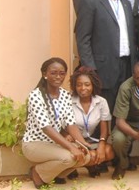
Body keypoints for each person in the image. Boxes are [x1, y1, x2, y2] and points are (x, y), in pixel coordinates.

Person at [75, 0, 137, 115]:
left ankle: (117, 137)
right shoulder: (90, 2)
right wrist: (90, 68)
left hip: (126, 64)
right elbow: (83, 38)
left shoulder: (126, 3)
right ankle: (100, 138)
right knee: (102, 109)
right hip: (102, 67)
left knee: (122, 107)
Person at [22, 58, 91, 188]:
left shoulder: (65, 95)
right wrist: (71, 147)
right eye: (53, 73)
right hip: (34, 144)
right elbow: (46, 128)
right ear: (44, 74)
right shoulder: (36, 96)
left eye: (62, 73)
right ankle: (37, 173)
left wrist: (83, 144)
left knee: (86, 156)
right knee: (70, 157)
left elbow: (71, 124)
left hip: (55, 144)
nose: (58, 77)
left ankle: (57, 175)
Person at [68, 69, 115, 178]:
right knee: (91, 156)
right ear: (74, 86)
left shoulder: (101, 102)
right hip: (73, 141)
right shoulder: (68, 101)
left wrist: (102, 145)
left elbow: (104, 129)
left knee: (108, 152)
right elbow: (64, 126)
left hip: (90, 140)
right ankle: (71, 168)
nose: (83, 88)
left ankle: (88, 164)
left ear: (93, 85)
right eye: (79, 85)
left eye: (87, 84)